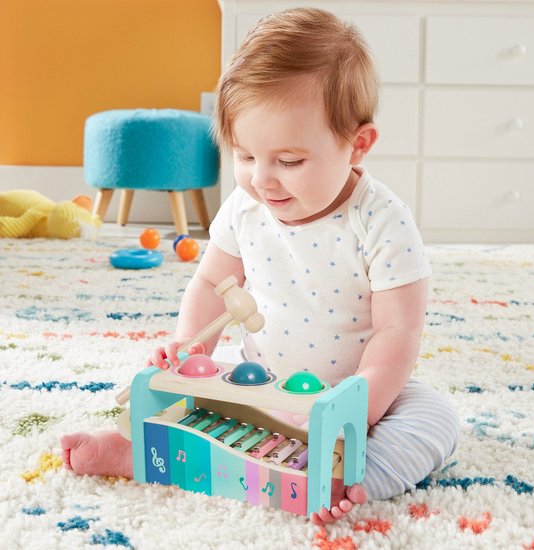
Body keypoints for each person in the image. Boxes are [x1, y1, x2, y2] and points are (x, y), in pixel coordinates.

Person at [60, 7, 459, 525]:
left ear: (357, 145)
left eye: (289, 161)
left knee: (435, 417)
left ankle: (351, 474)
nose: (263, 180)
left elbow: (397, 331)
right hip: (258, 386)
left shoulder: (382, 221)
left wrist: (355, 414)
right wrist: (191, 347)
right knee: (182, 397)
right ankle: (141, 453)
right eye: (245, 156)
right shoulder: (245, 208)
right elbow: (210, 280)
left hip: (352, 394)